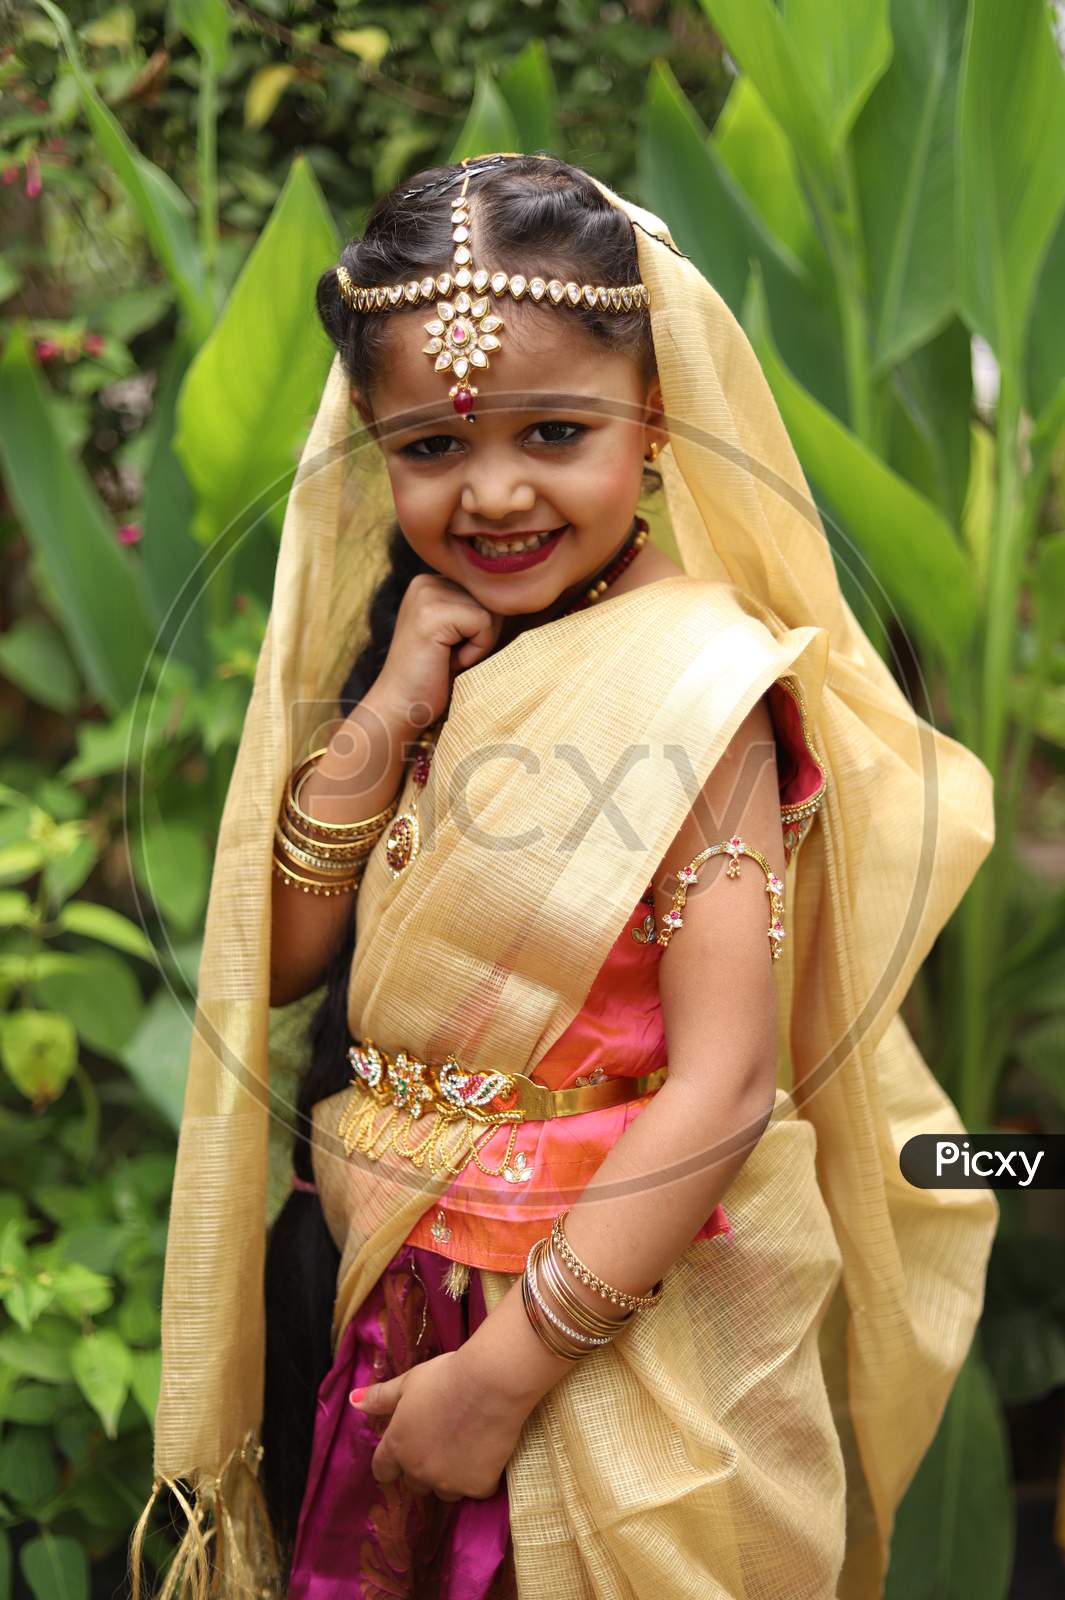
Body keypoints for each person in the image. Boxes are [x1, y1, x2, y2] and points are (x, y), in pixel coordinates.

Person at [129, 155, 998, 1600]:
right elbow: (274, 963)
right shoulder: (438, 653)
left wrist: (507, 1371)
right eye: (429, 450)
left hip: (596, 1342)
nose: (494, 493)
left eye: (554, 431)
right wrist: (385, 714)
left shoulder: (700, 690)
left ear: (653, 423)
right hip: (386, 1297)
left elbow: (720, 1087)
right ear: (370, 448)